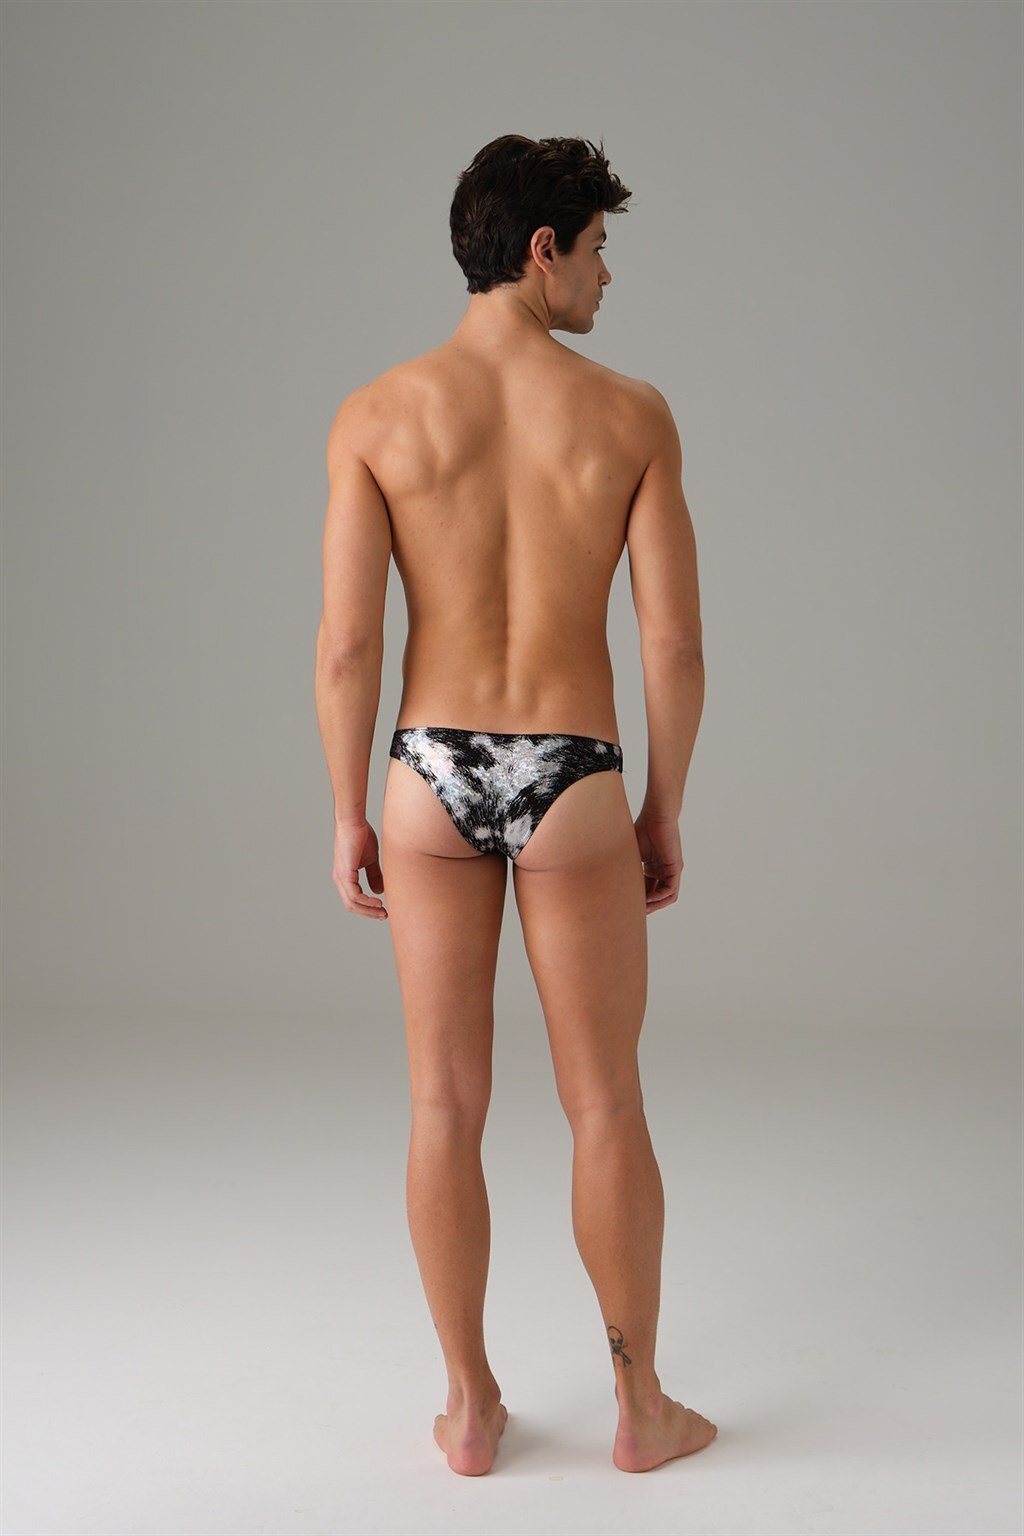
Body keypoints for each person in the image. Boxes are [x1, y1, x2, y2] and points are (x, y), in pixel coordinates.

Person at [313, 134, 713, 1476]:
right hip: (572, 772)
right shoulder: (630, 415)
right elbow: (672, 645)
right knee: (605, 1103)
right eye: (597, 249)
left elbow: (347, 649)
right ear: (542, 250)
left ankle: (471, 1407)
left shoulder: (376, 414)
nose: (607, 276)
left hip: (427, 770)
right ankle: (641, 1407)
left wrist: (349, 810)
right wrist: (663, 804)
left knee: (443, 1104)